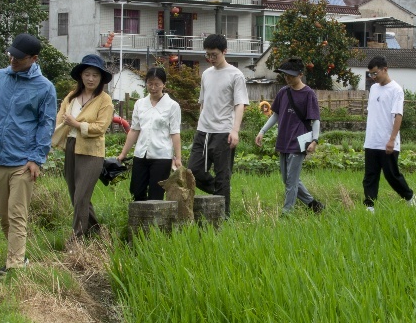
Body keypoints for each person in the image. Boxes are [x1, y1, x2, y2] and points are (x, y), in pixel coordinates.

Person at [0, 34, 57, 275]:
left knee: (17, 215)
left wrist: (37, 158)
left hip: (23, 161)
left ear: (34, 58)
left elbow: (46, 125)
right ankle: (20, 257)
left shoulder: (45, 88)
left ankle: (15, 266)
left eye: (19, 58)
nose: (13, 60)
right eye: (11, 55)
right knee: (3, 217)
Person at [51, 54, 114, 239]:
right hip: (71, 146)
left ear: (101, 78)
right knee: (75, 195)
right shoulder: (71, 97)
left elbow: (101, 128)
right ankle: (95, 232)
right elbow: (60, 119)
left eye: (95, 75)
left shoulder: (105, 100)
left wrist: (77, 124)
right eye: (87, 74)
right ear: (81, 76)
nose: (91, 79)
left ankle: (77, 238)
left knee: (81, 196)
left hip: (92, 151)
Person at [187, 34, 249, 217]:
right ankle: (219, 194)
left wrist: (235, 130)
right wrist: (201, 122)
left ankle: (224, 215)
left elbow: (240, 104)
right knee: (194, 171)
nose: (211, 59)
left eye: (214, 55)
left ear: (224, 52)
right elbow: (203, 102)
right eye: (208, 55)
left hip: (224, 132)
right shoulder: (206, 74)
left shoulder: (236, 75)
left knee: (223, 175)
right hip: (204, 131)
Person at [255, 58, 325, 215]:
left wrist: (315, 140)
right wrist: (262, 131)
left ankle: (287, 213)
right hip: (283, 140)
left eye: (291, 76)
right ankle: (314, 205)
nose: (287, 78)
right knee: (287, 179)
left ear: (300, 74)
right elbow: (276, 115)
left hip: (300, 142)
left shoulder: (309, 94)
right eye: (285, 75)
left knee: (291, 181)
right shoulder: (283, 92)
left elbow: (315, 120)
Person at [362, 56, 416, 211]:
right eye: (371, 75)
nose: (373, 77)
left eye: (375, 73)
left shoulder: (396, 90)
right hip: (372, 140)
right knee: (370, 176)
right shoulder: (374, 88)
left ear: (385, 69)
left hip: (387, 141)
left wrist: (392, 140)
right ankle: (369, 207)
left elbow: (398, 115)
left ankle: (410, 198)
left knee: (391, 175)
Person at [118, 66, 183, 200]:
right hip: (141, 154)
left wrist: (178, 158)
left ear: (164, 85)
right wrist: (123, 154)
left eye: (157, 84)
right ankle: (139, 220)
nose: (153, 87)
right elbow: (134, 130)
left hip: (162, 156)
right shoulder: (140, 104)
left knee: (156, 194)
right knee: (137, 191)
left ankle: (155, 221)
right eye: (150, 84)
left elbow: (175, 133)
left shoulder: (172, 106)